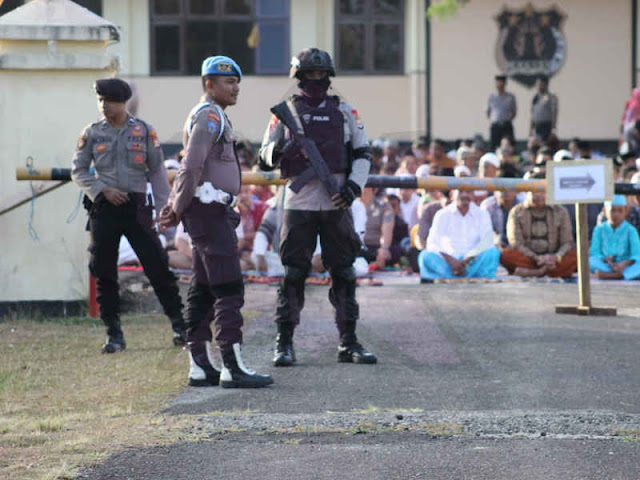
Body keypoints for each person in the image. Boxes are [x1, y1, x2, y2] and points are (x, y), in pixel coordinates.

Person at [158, 55, 273, 388]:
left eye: (237, 82)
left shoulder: (212, 115)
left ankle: (200, 365)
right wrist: (176, 206)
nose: (236, 88)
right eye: (228, 82)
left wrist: (179, 206)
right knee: (228, 287)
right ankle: (231, 367)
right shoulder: (209, 116)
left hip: (208, 210)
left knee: (205, 289)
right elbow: (191, 165)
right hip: (208, 210)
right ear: (209, 84)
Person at [258, 47, 377, 367]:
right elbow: (264, 157)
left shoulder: (346, 112)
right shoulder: (284, 113)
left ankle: (349, 342)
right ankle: (284, 342)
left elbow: (364, 154)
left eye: (320, 75)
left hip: (336, 200)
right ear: (299, 77)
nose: (315, 80)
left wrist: (353, 187)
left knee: (344, 273)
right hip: (300, 203)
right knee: (294, 273)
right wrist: (280, 149)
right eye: (309, 75)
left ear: (329, 77)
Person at [71, 78, 185, 354]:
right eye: (100, 101)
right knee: (104, 270)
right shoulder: (93, 133)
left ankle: (180, 325)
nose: (104, 106)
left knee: (157, 265)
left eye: (108, 101)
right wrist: (102, 190)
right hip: (104, 209)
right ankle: (114, 333)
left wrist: (163, 209)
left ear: (122, 102)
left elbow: (157, 172)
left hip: (136, 208)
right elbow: (79, 170)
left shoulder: (144, 131)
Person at [501, 173, 577, 278]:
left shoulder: (561, 211)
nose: (538, 195)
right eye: (534, 192)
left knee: (577, 256)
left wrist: (556, 257)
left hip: (554, 260)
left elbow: (567, 242)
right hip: (529, 259)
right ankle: (545, 272)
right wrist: (536, 258)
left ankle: (533, 273)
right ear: (526, 192)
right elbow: (516, 243)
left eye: (542, 192)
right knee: (506, 255)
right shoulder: (516, 211)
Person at [418, 190, 500, 281]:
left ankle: (454, 279)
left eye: (468, 192)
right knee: (425, 256)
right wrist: (452, 261)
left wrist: (467, 259)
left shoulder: (482, 213)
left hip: (472, 262)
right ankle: (458, 278)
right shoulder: (442, 214)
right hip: (448, 264)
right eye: (460, 192)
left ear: (473, 195)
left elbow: (487, 241)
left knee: (493, 253)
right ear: (452, 194)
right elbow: (432, 243)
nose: (464, 195)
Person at [590, 195, 640, 280]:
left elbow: (637, 255)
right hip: (606, 265)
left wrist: (624, 263)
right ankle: (620, 275)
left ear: (626, 212)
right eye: (612, 210)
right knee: (590, 261)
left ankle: (611, 275)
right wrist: (607, 261)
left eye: (620, 211)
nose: (616, 214)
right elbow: (595, 253)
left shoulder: (631, 230)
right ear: (605, 211)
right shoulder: (599, 229)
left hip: (626, 266)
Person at [487, 74, 517, 150]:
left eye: (501, 83)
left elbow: (513, 112)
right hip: (495, 125)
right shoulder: (492, 97)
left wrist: (506, 119)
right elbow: (488, 112)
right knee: (494, 146)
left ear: (505, 84)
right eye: (497, 83)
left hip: (506, 125)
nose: (499, 85)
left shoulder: (510, 97)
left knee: (509, 145)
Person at [530, 75, 558, 142]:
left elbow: (554, 112)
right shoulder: (536, 97)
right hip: (537, 126)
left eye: (540, 84)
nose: (538, 86)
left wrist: (553, 129)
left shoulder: (551, 97)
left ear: (546, 84)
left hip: (547, 126)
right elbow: (533, 114)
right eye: (537, 84)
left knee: (545, 145)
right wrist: (531, 130)